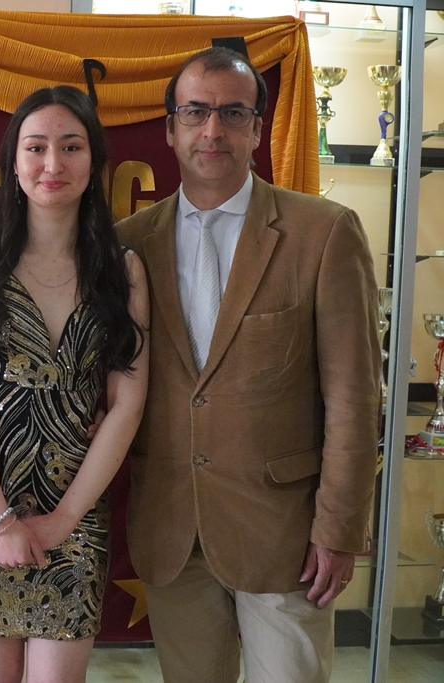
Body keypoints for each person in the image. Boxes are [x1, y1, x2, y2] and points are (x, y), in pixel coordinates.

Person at [116, 47, 381, 683]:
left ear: (258, 129)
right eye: (196, 112)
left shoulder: (323, 233)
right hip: (172, 532)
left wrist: (340, 529)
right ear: (171, 129)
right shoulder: (127, 244)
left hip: (286, 538)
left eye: (233, 113)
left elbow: (354, 397)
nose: (213, 130)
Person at [0, 86, 149, 683]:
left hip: (75, 511)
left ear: (94, 160)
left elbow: (127, 404)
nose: (53, 163)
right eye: (36, 147)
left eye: (71, 147)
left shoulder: (123, 269)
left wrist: (63, 519)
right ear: (13, 162)